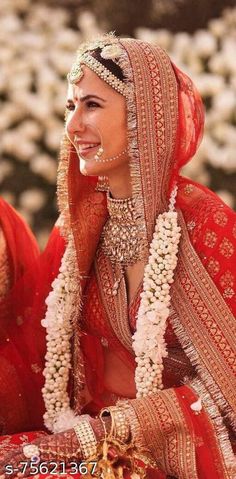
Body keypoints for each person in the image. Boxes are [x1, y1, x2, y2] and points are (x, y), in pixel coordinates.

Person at [0, 33, 235, 479]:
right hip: (86, 440)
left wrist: (121, 430)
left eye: (91, 105)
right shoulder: (81, 225)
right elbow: (32, 347)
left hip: (176, 453)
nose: (72, 127)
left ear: (143, 114)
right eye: (70, 107)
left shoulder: (202, 223)